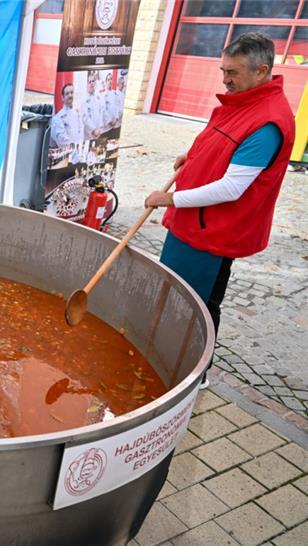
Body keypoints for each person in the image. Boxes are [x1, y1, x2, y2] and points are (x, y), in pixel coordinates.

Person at [144, 33, 295, 387]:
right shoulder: (243, 100)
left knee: (198, 307)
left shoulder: (269, 122)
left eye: (233, 72)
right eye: (223, 70)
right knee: (174, 294)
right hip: (192, 225)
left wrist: (171, 199)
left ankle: (198, 375)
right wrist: (192, 157)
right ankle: (166, 357)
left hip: (215, 234)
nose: (225, 79)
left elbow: (232, 187)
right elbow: (220, 143)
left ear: (261, 71)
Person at [50, 83, 83, 162]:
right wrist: (76, 154)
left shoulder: (77, 114)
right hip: (66, 159)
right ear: (62, 97)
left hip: (80, 155)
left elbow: (81, 133)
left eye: (72, 92)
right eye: (67, 93)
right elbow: (63, 142)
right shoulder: (57, 119)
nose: (70, 95)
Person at [82, 70, 104, 141]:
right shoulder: (84, 99)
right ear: (86, 84)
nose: (91, 83)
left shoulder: (98, 96)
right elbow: (85, 118)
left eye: (93, 81)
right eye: (89, 82)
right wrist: (94, 130)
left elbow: (101, 111)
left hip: (98, 132)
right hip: (89, 134)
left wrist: (100, 128)